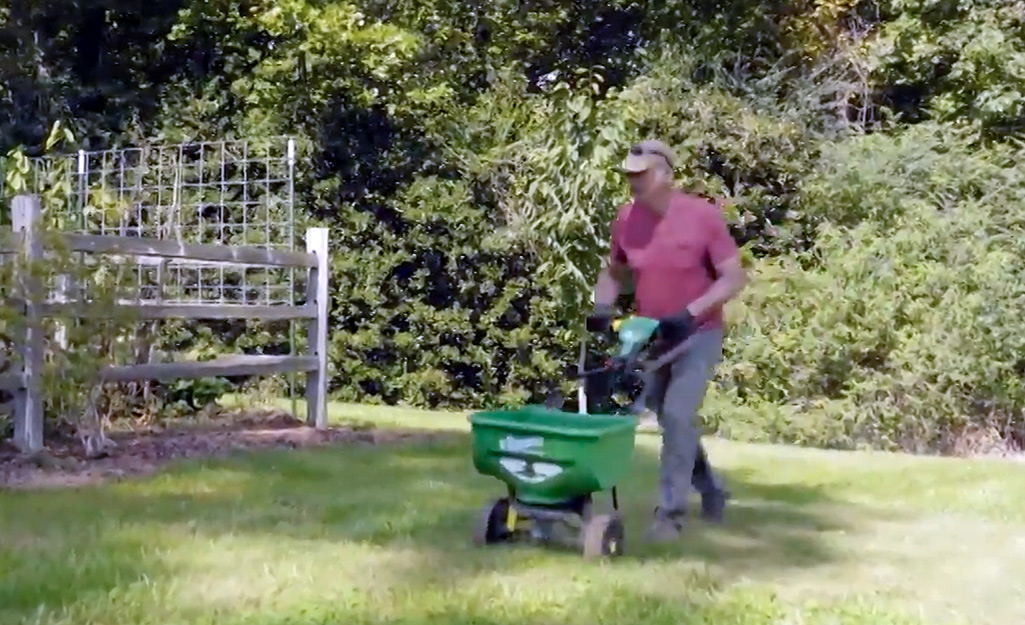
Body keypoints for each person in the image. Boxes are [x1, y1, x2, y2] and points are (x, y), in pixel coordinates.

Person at [587, 139, 748, 541]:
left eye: (640, 175)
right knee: (670, 420)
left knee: (677, 415)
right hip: (653, 336)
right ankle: (710, 489)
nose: (632, 182)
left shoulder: (701, 217)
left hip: (698, 333)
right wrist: (602, 307)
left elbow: (733, 277)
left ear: (664, 175)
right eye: (628, 175)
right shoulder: (626, 220)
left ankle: (669, 517)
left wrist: (690, 313)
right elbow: (615, 272)